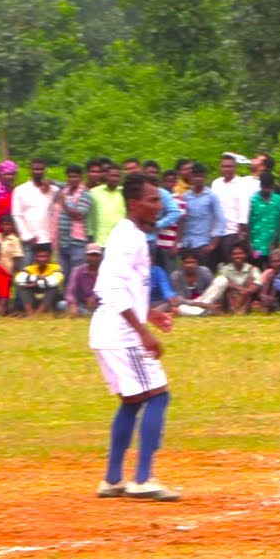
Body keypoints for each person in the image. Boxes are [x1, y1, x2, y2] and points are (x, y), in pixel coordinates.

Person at [89, 173, 180, 501]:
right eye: (152, 200)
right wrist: (142, 332)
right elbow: (109, 286)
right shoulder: (129, 238)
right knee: (158, 396)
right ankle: (142, 479)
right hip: (122, 335)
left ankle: (113, 479)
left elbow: (122, 287)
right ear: (134, 203)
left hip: (111, 330)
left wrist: (148, 314)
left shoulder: (129, 235)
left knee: (132, 401)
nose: (159, 206)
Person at [180, 163, 225, 267]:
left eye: (201, 176)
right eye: (195, 176)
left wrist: (213, 244)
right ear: (191, 177)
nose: (198, 179)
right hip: (187, 244)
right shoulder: (185, 197)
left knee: (204, 273)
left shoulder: (211, 196)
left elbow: (221, 220)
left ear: (205, 177)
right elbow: (182, 220)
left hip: (203, 244)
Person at [210, 154, 252, 265]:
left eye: (230, 166)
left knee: (230, 264)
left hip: (233, 231)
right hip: (216, 232)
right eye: (224, 166)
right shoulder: (216, 183)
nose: (227, 169)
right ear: (220, 168)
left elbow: (244, 208)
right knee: (215, 265)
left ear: (235, 167)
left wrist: (241, 233)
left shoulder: (242, 184)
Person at [11, 158, 58, 251]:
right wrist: (27, 236)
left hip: (47, 239)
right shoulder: (20, 190)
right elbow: (16, 215)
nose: (38, 172)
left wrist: (53, 182)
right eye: (35, 169)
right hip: (29, 240)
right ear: (30, 170)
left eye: (41, 169)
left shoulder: (53, 190)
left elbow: (68, 187)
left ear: (45, 170)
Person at [14, 242, 63, 316]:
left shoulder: (56, 267)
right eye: (39, 256)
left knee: (53, 287)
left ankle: (38, 314)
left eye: (45, 256)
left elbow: (54, 281)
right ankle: (30, 313)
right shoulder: (29, 268)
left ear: (49, 257)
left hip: (50, 300)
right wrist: (38, 277)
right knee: (21, 286)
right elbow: (19, 278)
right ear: (35, 257)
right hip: (33, 298)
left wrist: (34, 283)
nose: (42, 259)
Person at [247, 172, 280, 268]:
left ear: (272, 186)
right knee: (256, 269)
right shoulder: (253, 200)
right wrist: (250, 245)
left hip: (272, 245)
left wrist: (276, 239)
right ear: (261, 185)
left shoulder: (278, 200)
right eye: (265, 186)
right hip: (256, 246)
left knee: (272, 269)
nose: (267, 189)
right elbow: (248, 223)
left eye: (269, 187)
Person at [214, 244, 262, 315]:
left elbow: (258, 283)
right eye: (234, 254)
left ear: (245, 255)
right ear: (231, 256)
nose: (237, 256)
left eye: (240, 253)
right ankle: (228, 310)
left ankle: (243, 311)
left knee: (250, 282)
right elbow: (220, 282)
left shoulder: (253, 269)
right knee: (226, 284)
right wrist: (239, 288)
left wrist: (247, 291)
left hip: (247, 297)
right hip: (230, 297)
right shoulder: (225, 269)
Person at [170, 252, 219, 316]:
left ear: (197, 263)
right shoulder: (176, 275)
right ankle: (207, 312)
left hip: (206, 300)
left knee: (221, 280)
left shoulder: (205, 271)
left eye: (193, 262)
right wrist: (195, 303)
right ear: (182, 264)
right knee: (180, 309)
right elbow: (178, 298)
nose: (190, 265)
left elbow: (213, 289)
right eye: (187, 263)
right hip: (188, 304)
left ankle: (207, 310)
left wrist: (207, 303)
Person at [66, 243, 104, 316]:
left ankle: (91, 313)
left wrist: (95, 297)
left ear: (101, 257)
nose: (93, 258)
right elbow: (70, 292)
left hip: (100, 304)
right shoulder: (77, 271)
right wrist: (73, 304)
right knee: (62, 304)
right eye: (91, 255)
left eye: (96, 255)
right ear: (85, 256)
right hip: (82, 304)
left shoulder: (105, 272)